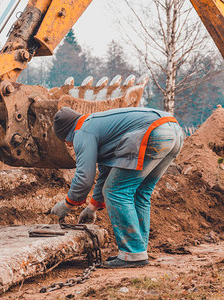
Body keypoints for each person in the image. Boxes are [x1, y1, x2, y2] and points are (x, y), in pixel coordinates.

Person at [51, 106, 184, 268]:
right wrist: (92, 208)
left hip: (153, 132)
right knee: (140, 192)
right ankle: (138, 250)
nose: (69, 145)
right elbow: (106, 174)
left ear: (67, 133)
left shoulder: (82, 132)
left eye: (65, 140)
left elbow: (85, 176)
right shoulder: (100, 125)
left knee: (117, 191)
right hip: (173, 131)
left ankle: (133, 253)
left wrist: (66, 204)